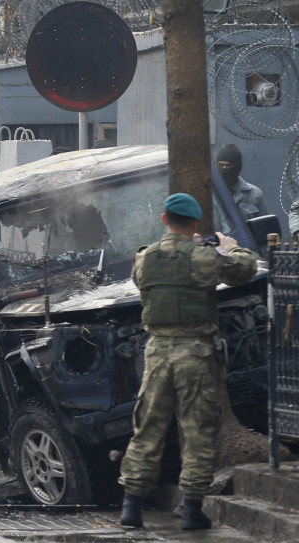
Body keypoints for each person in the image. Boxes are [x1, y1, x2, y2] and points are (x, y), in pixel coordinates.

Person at [119, 193, 257, 531]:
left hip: (157, 353)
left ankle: (131, 507)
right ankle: (193, 510)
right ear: (194, 223)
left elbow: (142, 277)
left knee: (147, 429)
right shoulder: (204, 257)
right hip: (195, 355)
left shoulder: (144, 258)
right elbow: (246, 267)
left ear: (164, 219)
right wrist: (226, 245)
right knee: (197, 432)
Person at [215, 144, 268, 220]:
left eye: (228, 165)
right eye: (221, 165)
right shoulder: (210, 192)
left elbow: (264, 225)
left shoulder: (254, 194)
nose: (224, 168)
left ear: (237, 166)